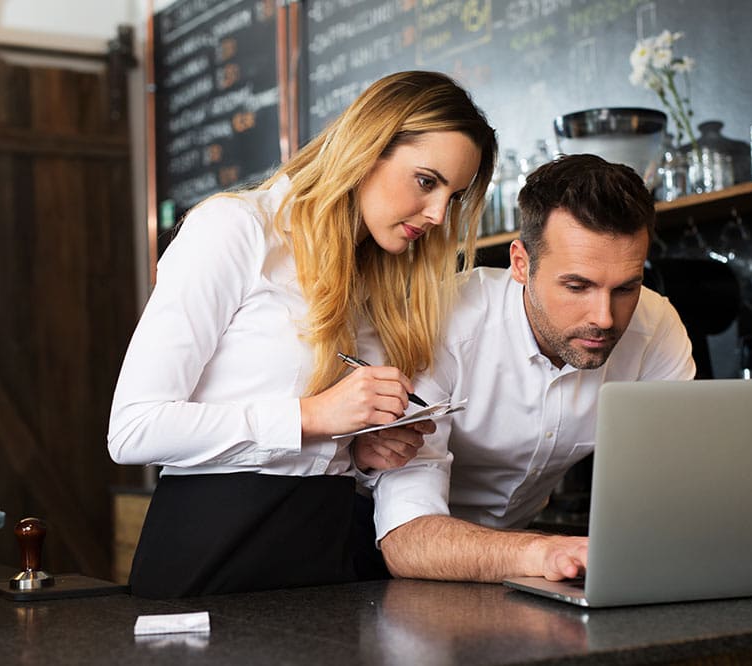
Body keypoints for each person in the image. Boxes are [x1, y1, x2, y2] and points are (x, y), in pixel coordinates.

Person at [108, 70, 498, 598]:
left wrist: (361, 455)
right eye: (427, 181)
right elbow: (134, 430)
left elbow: (315, 451)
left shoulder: (382, 278)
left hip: (327, 560)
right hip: (210, 557)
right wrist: (314, 416)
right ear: (367, 148)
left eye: (452, 198)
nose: (435, 214)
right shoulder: (236, 229)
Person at [355, 153, 696, 582]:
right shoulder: (441, 324)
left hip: (520, 564)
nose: (605, 318)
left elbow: (675, 484)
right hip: (375, 565)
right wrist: (543, 552)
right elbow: (407, 540)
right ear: (521, 264)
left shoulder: (655, 326)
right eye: (577, 286)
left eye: (626, 288)